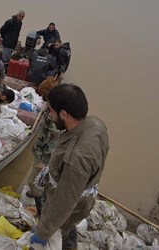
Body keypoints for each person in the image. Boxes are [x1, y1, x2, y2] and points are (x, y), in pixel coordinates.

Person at [30, 84, 109, 249]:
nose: (49, 116)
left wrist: (43, 232)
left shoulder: (76, 159)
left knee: (62, 229)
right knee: (68, 225)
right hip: (79, 198)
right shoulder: (95, 124)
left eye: (51, 111)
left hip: (71, 205)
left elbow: (64, 202)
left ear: (63, 114)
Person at [26, 77, 61, 218]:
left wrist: (44, 160)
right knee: (42, 179)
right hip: (41, 150)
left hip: (44, 155)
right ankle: (38, 194)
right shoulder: (52, 107)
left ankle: (41, 211)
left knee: (32, 182)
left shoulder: (54, 115)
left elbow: (53, 140)